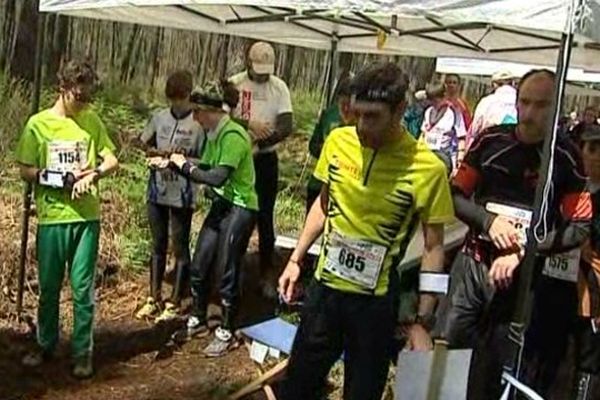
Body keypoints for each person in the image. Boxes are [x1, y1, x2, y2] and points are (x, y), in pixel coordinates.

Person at [277, 62, 455, 400]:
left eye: (372, 116)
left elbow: (434, 247)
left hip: (373, 306)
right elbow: (324, 205)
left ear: (401, 110)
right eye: (355, 114)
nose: (360, 125)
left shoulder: (427, 168)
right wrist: (296, 259)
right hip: (324, 294)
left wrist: (423, 319)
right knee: (296, 387)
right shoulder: (337, 141)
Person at [442, 69, 592, 399]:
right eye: (524, 102)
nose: (530, 113)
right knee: (446, 347)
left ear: (556, 108)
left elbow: (578, 227)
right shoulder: (491, 141)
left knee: (493, 364)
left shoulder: (566, 158)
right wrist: (488, 221)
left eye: (541, 105)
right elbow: (452, 196)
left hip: (523, 278)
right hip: (473, 264)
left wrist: (526, 247)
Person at [16, 60, 119, 378]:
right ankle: (45, 344)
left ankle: (82, 353)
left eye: (89, 97)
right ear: (63, 89)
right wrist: (53, 178)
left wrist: (95, 174)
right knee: (48, 287)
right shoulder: (38, 124)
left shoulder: (91, 120)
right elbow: (24, 168)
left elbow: (112, 158)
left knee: (83, 288)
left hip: (86, 217)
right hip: (52, 219)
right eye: (80, 96)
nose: (84, 103)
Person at [170, 80, 258, 357]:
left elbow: (218, 176)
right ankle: (197, 317)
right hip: (223, 203)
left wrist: (184, 167)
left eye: (198, 112)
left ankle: (228, 330)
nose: (194, 117)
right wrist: (173, 161)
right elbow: (205, 166)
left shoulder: (233, 135)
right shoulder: (213, 134)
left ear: (213, 111)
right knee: (200, 262)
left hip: (242, 207)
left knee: (226, 268)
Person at [135, 70, 204, 323]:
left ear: (189, 95)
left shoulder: (198, 123)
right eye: (171, 99)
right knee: (157, 244)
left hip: (182, 194)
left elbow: (206, 160)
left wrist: (182, 160)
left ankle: (175, 301)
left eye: (180, 99)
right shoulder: (159, 117)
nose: (176, 104)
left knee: (180, 246)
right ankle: (153, 297)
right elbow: (142, 143)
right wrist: (152, 152)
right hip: (157, 189)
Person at [229, 41, 293, 269]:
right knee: (236, 213)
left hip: (265, 158)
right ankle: (233, 265)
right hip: (237, 158)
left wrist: (262, 140)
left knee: (265, 215)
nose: (262, 77)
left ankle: (266, 271)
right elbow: (221, 117)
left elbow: (286, 125)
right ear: (249, 63)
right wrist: (249, 125)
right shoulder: (235, 84)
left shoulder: (279, 88)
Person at [573, 125, 600, 399]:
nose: (591, 155)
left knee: (590, 361)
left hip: (594, 292)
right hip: (565, 288)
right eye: (588, 148)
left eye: (597, 149)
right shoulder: (571, 188)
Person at [306, 76, 354, 214]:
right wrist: (322, 148)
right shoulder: (329, 114)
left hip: (343, 187)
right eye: (342, 103)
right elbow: (312, 145)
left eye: (349, 104)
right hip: (318, 182)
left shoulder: (363, 126)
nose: (345, 108)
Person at [420, 84, 467, 172]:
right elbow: (423, 134)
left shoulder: (454, 113)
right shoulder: (429, 111)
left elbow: (461, 138)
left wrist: (459, 161)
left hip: (443, 156)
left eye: (436, 101)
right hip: (426, 154)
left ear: (443, 97)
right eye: (432, 101)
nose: (434, 104)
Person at [467, 70, 517, 146]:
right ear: (513, 83)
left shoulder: (486, 102)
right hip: (517, 147)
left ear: (494, 84)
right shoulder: (523, 100)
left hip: (491, 146)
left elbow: (475, 129)